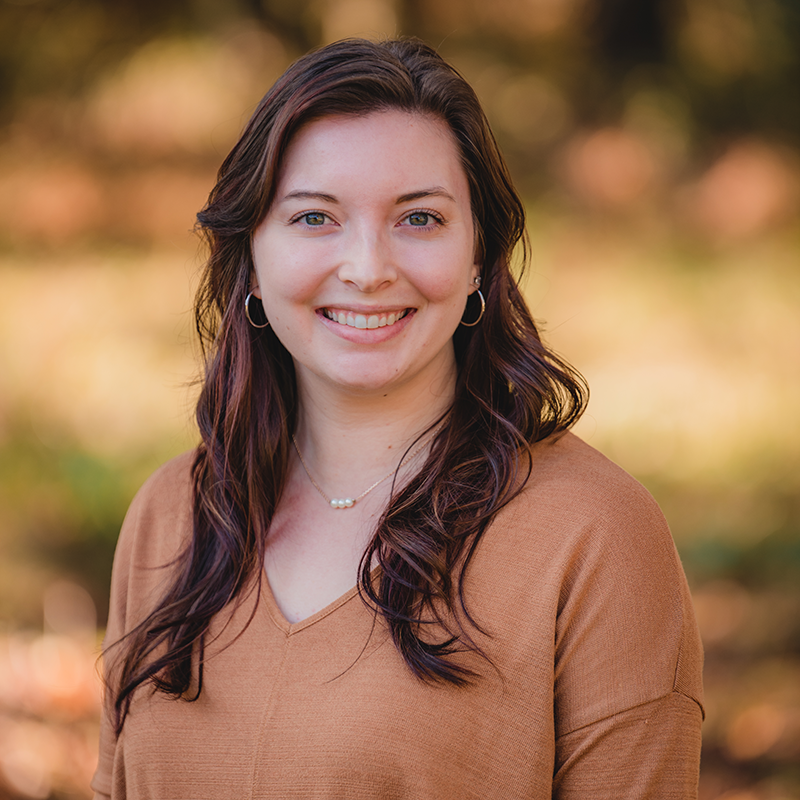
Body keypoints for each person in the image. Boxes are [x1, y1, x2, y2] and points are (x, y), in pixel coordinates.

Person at [92, 37, 703, 799]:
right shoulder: (173, 513)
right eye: (315, 218)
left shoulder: (593, 535)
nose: (368, 269)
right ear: (251, 257)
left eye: (418, 218)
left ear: (478, 256)